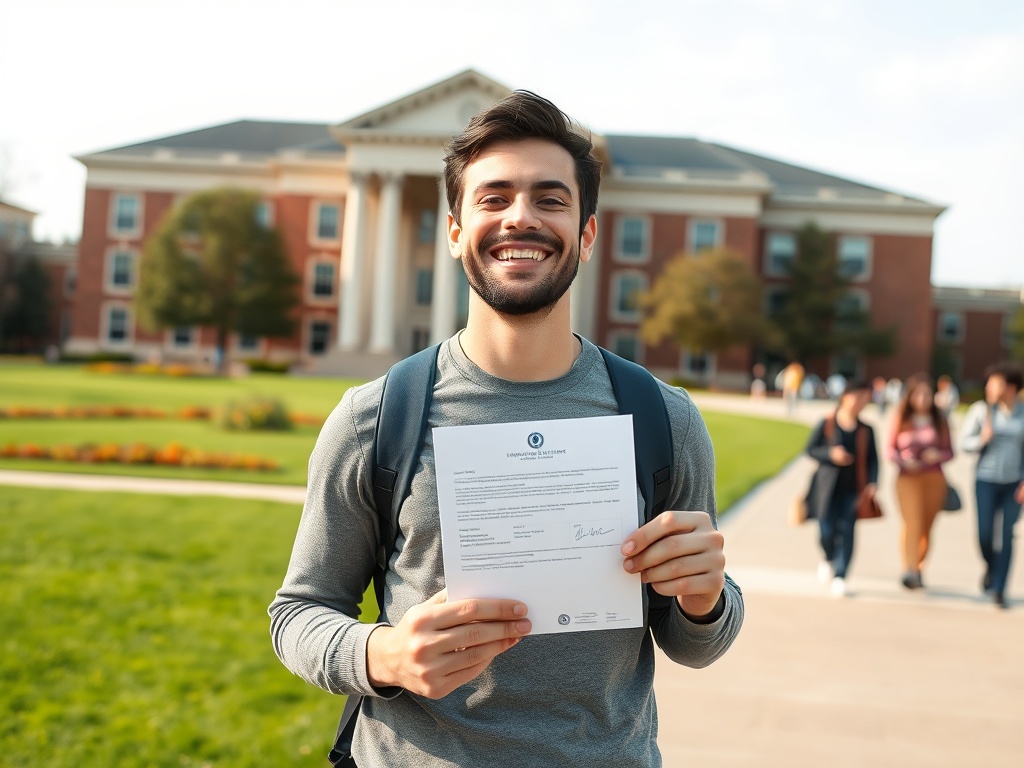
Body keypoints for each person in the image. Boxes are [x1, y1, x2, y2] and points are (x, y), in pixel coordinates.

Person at [268, 91, 744, 767]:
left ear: (586, 234)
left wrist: (704, 598)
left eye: (550, 199)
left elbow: (698, 643)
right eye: (494, 198)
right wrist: (386, 654)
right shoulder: (376, 418)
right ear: (457, 230)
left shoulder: (662, 418)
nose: (520, 216)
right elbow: (298, 613)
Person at [803, 380, 879, 597]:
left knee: (847, 531)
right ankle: (828, 558)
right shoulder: (827, 423)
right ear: (846, 397)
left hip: (853, 490)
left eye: (866, 398)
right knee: (826, 530)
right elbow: (810, 449)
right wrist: (831, 455)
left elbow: (873, 460)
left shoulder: (866, 430)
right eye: (859, 397)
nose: (862, 402)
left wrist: (873, 483)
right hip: (826, 489)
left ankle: (841, 575)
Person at [959, 362, 1024, 609]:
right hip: (985, 481)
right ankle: (991, 566)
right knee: (985, 535)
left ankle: (999, 588)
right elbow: (963, 443)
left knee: (1007, 537)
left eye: (994, 383)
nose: (989, 387)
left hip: (1013, 485)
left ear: (1010, 387)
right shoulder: (981, 411)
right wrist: (980, 440)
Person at [886, 375, 954, 590]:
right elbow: (889, 449)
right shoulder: (902, 417)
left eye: (927, 394)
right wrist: (903, 461)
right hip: (907, 477)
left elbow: (950, 451)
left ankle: (919, 567)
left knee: (926, 527)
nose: (923, 398)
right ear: (910, 396)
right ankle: (910, 569)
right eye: (919, 394)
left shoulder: (940, 420)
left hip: (934, 478)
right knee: (912, 523)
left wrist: (938, 455)